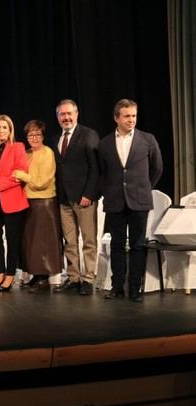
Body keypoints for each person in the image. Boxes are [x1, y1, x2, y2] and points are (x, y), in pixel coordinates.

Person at [98, 99, 163, 302]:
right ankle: (117, 287)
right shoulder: (105, 143)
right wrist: (109, 191)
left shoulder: (147, 139)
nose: (131, 119)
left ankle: (135, 288)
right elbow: (102, 173)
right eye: (126, 116)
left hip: (139, 200)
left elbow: (157, 168)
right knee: (117, 244)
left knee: (137, 245)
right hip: (115, 200)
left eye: (134, 115)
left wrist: (144, 188)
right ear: (116, 118)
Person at [52, 99, 100, 295]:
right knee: (69, 241)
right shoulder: (56, 138)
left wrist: (89, 194)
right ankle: (73, 277)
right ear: (58, 117)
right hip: (63, 198)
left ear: (77, 114)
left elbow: (96, 169)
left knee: (88, 240)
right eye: (62, 114)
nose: (66, 117)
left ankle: (88, 279)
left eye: (69, 113)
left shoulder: (88, 135)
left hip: (84, 198)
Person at [13, 121, 64, 292]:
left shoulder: (47, 153)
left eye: (37, 134)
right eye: (30, 135)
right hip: (27, 202)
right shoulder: (26, 153)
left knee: (43, 241)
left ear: (43, 136)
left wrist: (22, 176)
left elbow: (42, 182)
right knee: (31, 241)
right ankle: (36, 274)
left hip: (44, 202)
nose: (34, 138)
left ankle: (43, 278)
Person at [0, 114, 29, 292]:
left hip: (13, 201)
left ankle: (10, 275)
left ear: (10, 130)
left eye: (5, 127)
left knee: (12, 240)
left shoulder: (18, 147)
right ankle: (1, 273)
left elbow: (20, 174)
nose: (1, 130)